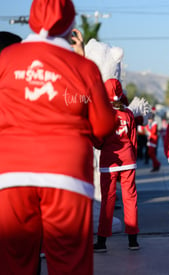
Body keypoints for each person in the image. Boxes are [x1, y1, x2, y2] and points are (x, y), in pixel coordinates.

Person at [0, 0, 116, 274]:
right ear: (70, 24)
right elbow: (103, 126)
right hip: (67, 174)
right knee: (69, 261)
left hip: (11, 173)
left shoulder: (6, 59)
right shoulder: (83, 67)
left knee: (14, 261)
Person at [94, 79, 139, 252]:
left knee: (108, 200)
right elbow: (134, 140)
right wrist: (132, 157)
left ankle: (102, 242)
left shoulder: (102, 114)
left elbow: (98, 141)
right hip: (128, 160)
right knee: (130, 199)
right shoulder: (127, 114)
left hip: (109, 162)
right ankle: (133, 241)